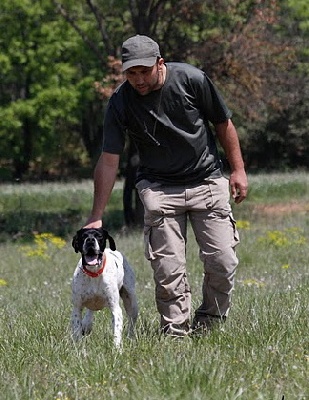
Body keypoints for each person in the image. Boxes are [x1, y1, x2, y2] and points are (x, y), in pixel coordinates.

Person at [84, 34, 248, 337]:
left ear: (160, 63)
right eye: (131, 73)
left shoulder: (192, 80)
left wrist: (237, 169)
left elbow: (223, 124)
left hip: (207, 181)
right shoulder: (121, 101)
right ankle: (175, 333)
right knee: (168, 272)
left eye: (144, 71)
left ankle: (209, 324)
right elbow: (109, 160)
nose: (138, 80)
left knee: (223, 262)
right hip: (159, 189)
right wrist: (96, 215)